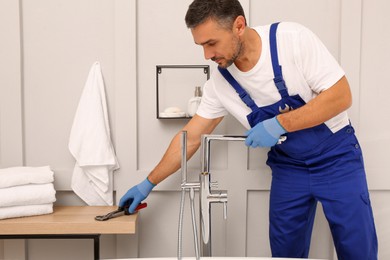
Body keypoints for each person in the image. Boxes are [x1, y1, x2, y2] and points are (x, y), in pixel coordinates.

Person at [120, 0, 378, 259]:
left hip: (337, 160)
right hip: (289, 168)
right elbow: (190, 139)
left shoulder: (292, 40)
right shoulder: (221, 84)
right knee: (285, 253)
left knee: (357, 249)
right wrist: (148, 183)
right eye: (201, 46)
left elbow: (341, 96)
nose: (206, 56)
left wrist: (279, 123)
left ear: (239, 26)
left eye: (211, 43)